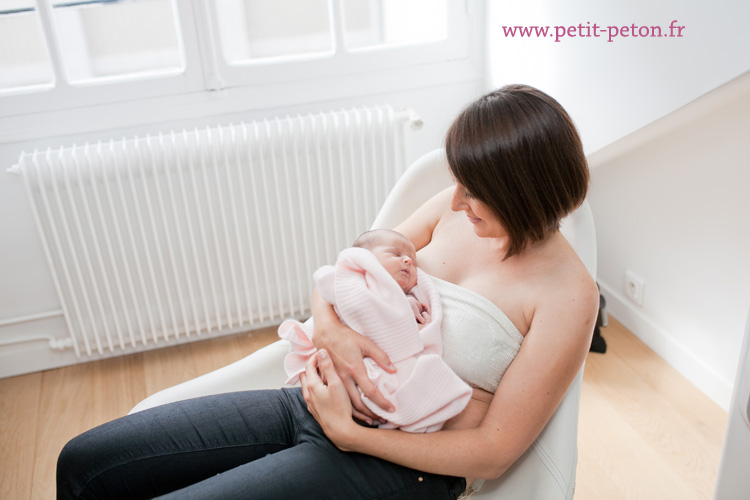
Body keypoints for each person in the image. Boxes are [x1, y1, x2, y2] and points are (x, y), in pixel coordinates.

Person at [56, 84, 598, 500]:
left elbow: (495, 451)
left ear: (523, 192)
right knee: (83, 463)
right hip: (313, 403)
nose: (456, 202)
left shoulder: (568, 295)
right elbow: (348, 267)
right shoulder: (453, 211)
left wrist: (354, 436)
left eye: (474, 193)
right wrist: (332, 330)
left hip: (403, 464)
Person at [279, 229, 472, 433]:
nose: (408, 260)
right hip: (329, 379)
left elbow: (416, 335)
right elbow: (328, 284)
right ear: (365, 260)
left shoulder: (409, 301)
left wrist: (421, 327)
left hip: (373, 385)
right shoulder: (354, 284)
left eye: (413, 263)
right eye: (396, 255)